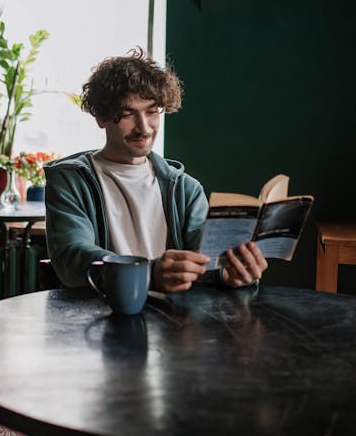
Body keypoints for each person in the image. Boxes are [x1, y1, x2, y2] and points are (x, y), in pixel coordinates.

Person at [44, 48, 268, 292]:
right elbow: (71, 257)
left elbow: (207, 261)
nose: (144, 127)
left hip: (174, 322)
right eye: (128, 114)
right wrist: (148, 272)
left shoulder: (185, 188)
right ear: (101, 117)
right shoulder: (70, 180)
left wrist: (231, 272)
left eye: (152, 112)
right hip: (96, 318)